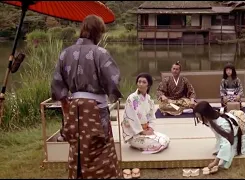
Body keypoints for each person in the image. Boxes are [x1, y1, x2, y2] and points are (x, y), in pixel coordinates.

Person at [51, 15, 122, 179]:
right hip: (96, 108)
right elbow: (113, 81)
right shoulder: (100, 53)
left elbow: (57, 83)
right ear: (98, 32)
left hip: (74, 106)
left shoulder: (65, 53)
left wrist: (66, 105)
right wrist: (112, 94)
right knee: (100, 147)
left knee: (77, 147)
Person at [193, 101, 245, 172]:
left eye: (199, 117)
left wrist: (216, 162)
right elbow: (220, 137)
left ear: (205, 115)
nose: (199, 119)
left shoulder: (223, 124)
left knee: (230, 154)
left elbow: (226, 143)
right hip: (232, 133)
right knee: (220, 151)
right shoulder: (211, 119)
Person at [121, 73, 170, 154]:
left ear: (149, 85)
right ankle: (135, 143)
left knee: (166, 139)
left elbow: (152, 116)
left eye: (144, 82)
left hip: (146, 130)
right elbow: (130, 118)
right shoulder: (132, 98)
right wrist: (141, 131)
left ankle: (143, 143)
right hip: (135, 133)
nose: (140, 84)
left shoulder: (149, 99)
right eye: (139, 82)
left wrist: (150, 128)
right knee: (157, 144)